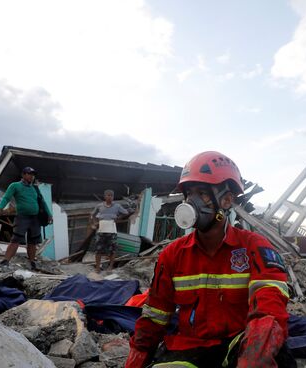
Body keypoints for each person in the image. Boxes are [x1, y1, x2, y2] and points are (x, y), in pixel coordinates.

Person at [126, 151, 293, 368]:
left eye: (202, 193)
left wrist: (253, 357)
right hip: (188, 349)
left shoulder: (254, 247)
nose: (191, 201)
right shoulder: (173, 255)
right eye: (189, 193)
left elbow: (269, 308)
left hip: (237, 345)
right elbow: (154, 317)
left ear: (226, 200)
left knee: (279, 356)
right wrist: (136, 360)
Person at [0, 166, 52, 270]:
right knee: (16, 239)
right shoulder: (15, 186)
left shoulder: (35, 188)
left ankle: (32, 262)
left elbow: (42, 202)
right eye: (29, 174)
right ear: (23, 175)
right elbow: (6, 197)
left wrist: (49, 214)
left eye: (33, 175)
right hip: (22, 217)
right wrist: (0, 209)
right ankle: (5, 261)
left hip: (35, 218)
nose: (32, 177)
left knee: (33, 241)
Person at [90, 189, 130, 272]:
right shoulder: (99, 206)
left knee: (113, 250)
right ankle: (97, 268)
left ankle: (110, 267)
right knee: (98, 250)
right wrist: (94, 223)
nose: (109, 197)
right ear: (105, 196)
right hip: (101, 230)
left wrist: (118, 218)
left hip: (112, 231)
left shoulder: (117, 206)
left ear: (113, 197)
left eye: (111, 195)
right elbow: (92, 214)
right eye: (108, 195)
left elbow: (126, 213)